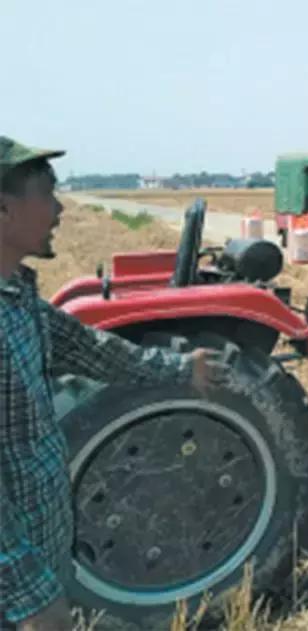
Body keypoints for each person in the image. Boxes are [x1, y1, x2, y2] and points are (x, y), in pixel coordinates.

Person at [0, 137, 223, 630]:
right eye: (47, 194)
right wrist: (31, 597)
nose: (59, 209)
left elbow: (90, 349)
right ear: (4, 211)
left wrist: (183, 369)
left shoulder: (18, 297)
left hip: (43, 558)